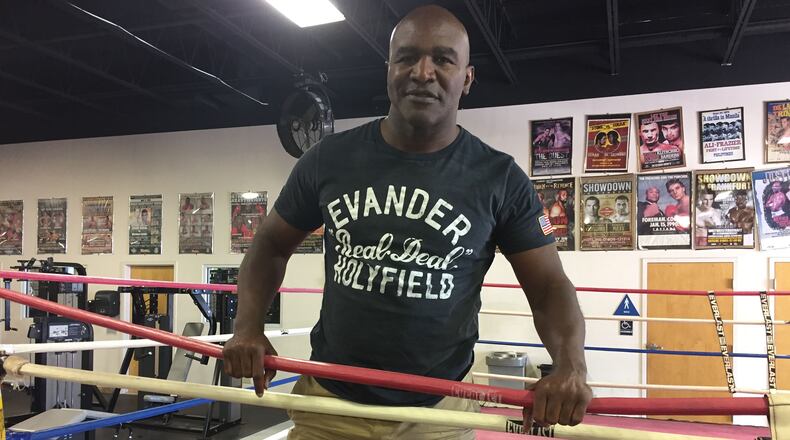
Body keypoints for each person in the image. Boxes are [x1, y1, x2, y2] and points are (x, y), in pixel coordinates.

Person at [222, 5, 591, 439]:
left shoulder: (500, 178)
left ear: (467, 78)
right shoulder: (328, 159)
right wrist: (246, 326)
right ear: (388, 71)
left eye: (443, 59)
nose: (422, 71)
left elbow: (548, 285)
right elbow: (269, 245)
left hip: (439, 413)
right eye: (407, 57)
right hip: (329, 406)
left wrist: (571, 365)